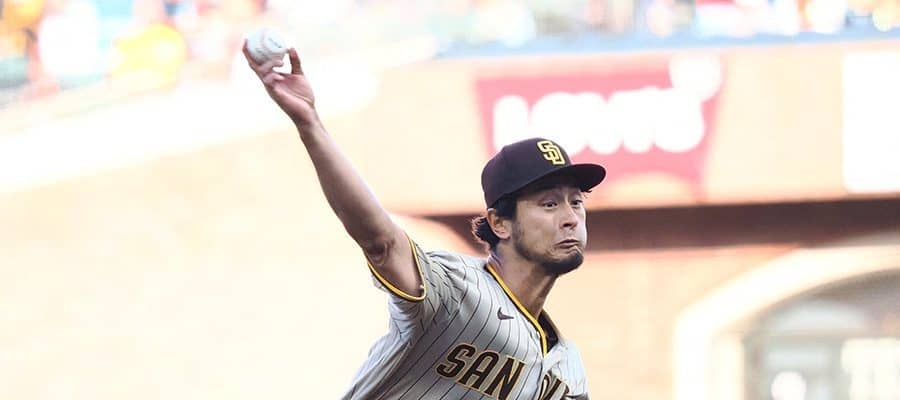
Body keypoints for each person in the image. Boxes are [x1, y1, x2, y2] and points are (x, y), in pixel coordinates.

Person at [243, 40, 606, 400]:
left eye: (576, 202)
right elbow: (382, 243)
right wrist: (310, 123)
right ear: (500, 223)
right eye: (549, 204)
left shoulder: (567, 371)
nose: (571, 218)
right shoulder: (456, 288)